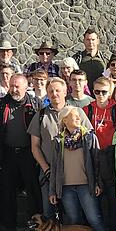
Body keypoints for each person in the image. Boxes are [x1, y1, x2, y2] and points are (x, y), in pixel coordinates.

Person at [48, 105, 113, 231]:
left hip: (86, 185)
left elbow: (97, 162)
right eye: (74, 116)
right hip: (67, 188)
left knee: (94, 219)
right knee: (73, 223)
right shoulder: (58, 140)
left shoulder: (89, 137)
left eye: (79, 116)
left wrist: (98, 182)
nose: (78, 119)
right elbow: (55, 167)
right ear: (64, 120)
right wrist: (53, 190)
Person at [30, 78, 93, 222]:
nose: (54, 94)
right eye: (51, 91)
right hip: (49, 172)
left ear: (65, 91)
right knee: (49, 212)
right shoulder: (40, 116)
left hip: (73, 175)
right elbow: (35, 147)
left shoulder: (77, 112)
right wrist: (46, 169)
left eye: (58, 90)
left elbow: (89, 137)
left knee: (75, 215)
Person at [0, 74, 42, 231]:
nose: (14, 89)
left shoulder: (34, 105)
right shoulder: (2, 104)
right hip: (7, 154)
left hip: (28, 154)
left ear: (26, 87)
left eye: (17, 86)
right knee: (6, 195)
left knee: (33, 193)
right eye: (12, 86)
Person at [84, 77, 116, 231]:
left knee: (113, 198)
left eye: (104, 92)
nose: (100, 95)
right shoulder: (88, 109)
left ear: (110, 93)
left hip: (111, 155)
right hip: (94, 154)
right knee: (97, 196)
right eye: (97, 92)